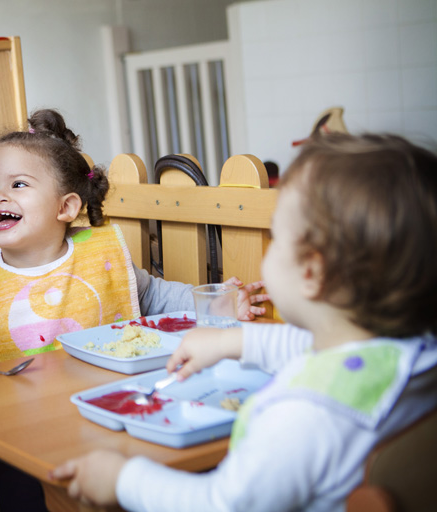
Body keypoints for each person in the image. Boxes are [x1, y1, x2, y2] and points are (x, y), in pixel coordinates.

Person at [0, 109, 268, 511]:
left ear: (66, 207)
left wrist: (217, 304)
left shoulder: (103, 257)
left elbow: (159, 299)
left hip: (117, 414)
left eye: (18, 184)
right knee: (30, 491)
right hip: (25, 433)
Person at [50, 133, 437, 511]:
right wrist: (234, 343)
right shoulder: (415, 354)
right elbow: (321, 350)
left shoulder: (301, 415)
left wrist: (122, 479)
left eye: (276, 237)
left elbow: (219, 503)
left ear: (312, 273)